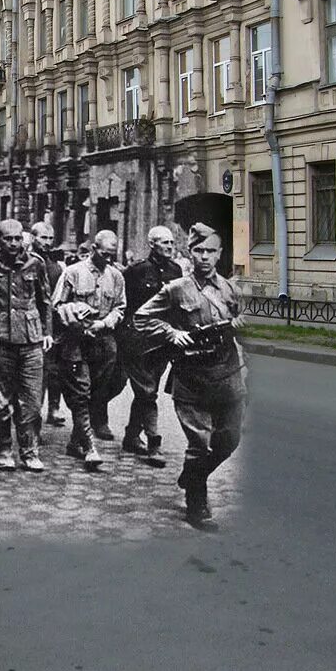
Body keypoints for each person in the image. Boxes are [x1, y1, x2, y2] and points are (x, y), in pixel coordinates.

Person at [133, 223, 246, 530]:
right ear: (189, 253)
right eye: (198, 250)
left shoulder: (230, 289)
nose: (205, 257)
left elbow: (248, 323)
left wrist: (241, 326)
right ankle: (197, 505)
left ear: (220, 254)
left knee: (230, 440)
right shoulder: (176, 289)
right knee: (200, 444)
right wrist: (171, 333)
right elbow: (141, 318)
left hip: (227, 377)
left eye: (210, 250)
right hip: (191, 377)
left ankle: (193, 476)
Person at [0, 218, 52, 473]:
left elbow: (45, 300)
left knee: (31, 401)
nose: (14, 244)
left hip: (30, 340)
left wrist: (47, 332)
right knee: (0, 401)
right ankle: (4, 450)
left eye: (18, 239)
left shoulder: (35, 263)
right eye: (8, 239)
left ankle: (30, 452)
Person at [51, 230, 126, 470]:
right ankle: (90, 447)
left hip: (104, 343)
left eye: (112, 255)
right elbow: (57, 305)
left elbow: (120, 308)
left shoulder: (116, 276)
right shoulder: (73, 272)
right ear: (94, 249)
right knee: (81, 392)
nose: (108, 259)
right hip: (76, 342)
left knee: (95, 393)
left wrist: (104, 323)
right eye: (104, 254)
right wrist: (75, 313)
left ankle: (76, 441)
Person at [120, 226, 189, 468]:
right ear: (152, 244)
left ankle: (131, 436)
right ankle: (154, 442)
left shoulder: (176, 270)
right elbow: (124, 306)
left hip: (162, 343)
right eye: (164, 243)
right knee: (147, 392)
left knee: (147, 392)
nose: (170, 246)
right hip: (138, 342)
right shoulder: (136, 271)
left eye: (171, 242)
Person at [29, 222, 67, 429]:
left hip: (53, 323)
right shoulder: (26, 261)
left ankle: (54, 407)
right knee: (37, 372)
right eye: (43, 238)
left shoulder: (57, 266)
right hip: (32, 321)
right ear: (33, 238)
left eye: (50, 238)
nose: (47, 242)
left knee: (55, 369)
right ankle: (35, 414)